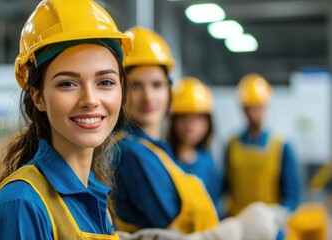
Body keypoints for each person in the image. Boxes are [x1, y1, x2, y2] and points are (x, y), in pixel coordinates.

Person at [0, 0, 133, 239]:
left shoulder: (94, 193)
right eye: (67, 83)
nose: (90, 99)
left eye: (105, 82)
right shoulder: (22, 204)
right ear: (37, 97)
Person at [112, 26, 279, 240]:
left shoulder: (158, 151)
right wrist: (236, 230)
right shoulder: (133, 153)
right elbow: (176, 226)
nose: (148, 97)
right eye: (136, 86)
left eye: (157, 85)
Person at [223, 73, 301, 217]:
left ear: (266, 107)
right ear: (243, 109)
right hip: (237, 224)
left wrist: (279, 216)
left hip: (269, 227)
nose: (253, 113)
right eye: (249, 107)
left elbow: (292, 196)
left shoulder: (282, 146)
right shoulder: (231, 145)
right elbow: (225, 187)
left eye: (258, 107)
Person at [167, 77, 221, 212]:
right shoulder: (163, 158)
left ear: (208, 123)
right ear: (173, 120)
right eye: (184, 116)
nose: (190, 125)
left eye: (198, 117)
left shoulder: (208, 161)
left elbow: (214, 207)